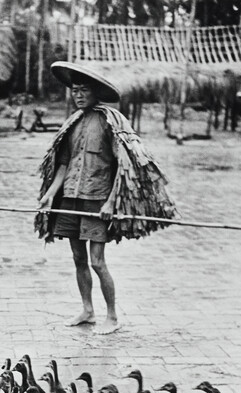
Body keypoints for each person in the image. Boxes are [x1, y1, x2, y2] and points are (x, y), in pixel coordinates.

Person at [36, 61, 177, 334]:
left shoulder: (111, 121)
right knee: (78, 258)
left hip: (97, 199)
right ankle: (88, 310)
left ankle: (112, 316)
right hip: (70, 198)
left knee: (97, 261)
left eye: (83, 90)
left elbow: (124, 166)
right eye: (74, 90)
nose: (77, 95)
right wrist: (49, 196)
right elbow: (64, 164)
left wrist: (112, 202)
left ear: (95, 92)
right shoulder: (73, 122)